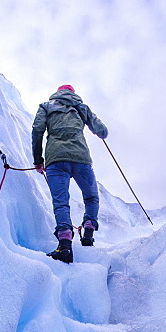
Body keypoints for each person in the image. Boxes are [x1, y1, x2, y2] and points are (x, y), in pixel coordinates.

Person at [32, 84, 108, 263]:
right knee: (91, 197)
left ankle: (65, 245)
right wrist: (101, 133)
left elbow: (37, 131)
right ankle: (88, 232)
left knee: (61, 201)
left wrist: (38, 159)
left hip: (56, 159)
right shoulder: (81, 107)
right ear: (73, 94)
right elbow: (102, 130)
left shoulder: (46, 106)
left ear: (57, 93)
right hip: (81, 159)